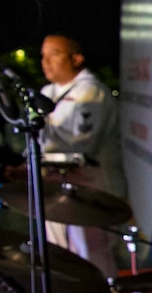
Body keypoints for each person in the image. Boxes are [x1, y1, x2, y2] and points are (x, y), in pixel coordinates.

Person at [38, 33, 128, 278]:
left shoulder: (92, 93)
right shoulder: (47, 92)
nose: (46, 62)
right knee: (57, 256)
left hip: (92, 191)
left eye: (54, 55)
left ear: (76, 59)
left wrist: (39, 166)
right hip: (56, 191)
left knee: (92, 256)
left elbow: (82, 149)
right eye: (43, 55)